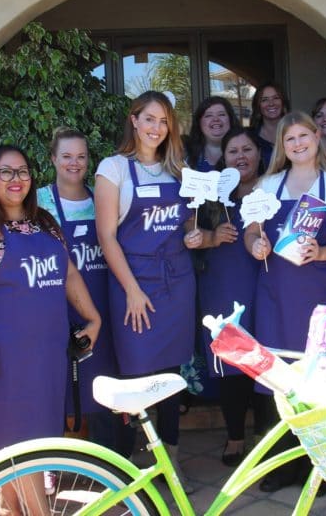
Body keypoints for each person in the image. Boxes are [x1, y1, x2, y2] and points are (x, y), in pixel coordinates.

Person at [0, 146, 100, 470]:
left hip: (45, 359)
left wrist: (93, 318)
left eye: (22, 171)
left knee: (37, 449)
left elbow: (68, 272)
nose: (16, 180)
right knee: (11, 452)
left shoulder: (44, 222)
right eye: (6, 172)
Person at [244, 111, 326, 492]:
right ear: (282, 146)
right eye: (289, 139)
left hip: (323, 297)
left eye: (303, 136)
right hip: (276, 296)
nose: (297, 144)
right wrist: (256, 243)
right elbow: (252, 233)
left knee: (319, 381)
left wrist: (321, 253)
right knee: (279, 381)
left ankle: (319, 467)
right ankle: (281, 465)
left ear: (316, 137)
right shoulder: (267, 185)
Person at [95, 91, 198, 491]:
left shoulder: (180, 170)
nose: (157, 128)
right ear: (134, 121)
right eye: (149, 119)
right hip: (133, 284)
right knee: (137, 373)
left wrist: (194, 235)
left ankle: (171, 462)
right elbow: (107, 236)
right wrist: (133, 291)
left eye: (164, 121)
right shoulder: (114, 168)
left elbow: (188, 225)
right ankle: (136, 464)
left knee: (171, 374)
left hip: (176, 282)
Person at [36, 127, 121, 450]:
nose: (75, 163)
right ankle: (53, 461)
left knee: (103, 388)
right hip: (58, 312)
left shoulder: (102, 198)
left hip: (103, 309)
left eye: (81, 157)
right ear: (53, 158)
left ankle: (110, 462)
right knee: (57, 386)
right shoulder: (39, 201)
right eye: (67, 156)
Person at [193, 127, 265, 466]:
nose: (241, 157)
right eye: (233, 151)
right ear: (225, 159)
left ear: (259, 154)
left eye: (247, 149)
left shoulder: (273, 190)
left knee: (266, 361)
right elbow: (190, 236)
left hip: (263, 285)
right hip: (221, 284)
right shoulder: (212, 198)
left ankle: (267, 438)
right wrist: (211, 234)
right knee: (229, 362)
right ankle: (236, 436)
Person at [183, 96, 241, 172]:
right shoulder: (185, 156)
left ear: (231, 119)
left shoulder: (243, 155)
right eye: (208, 115)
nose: (216, 119)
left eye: (221, 114)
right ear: (199, 123)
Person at [248, 82, 290, 170]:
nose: (271, 103)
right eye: (264, 100)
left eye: (276, 98)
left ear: (283, 102)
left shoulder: (295, 132)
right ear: (258, 106)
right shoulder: (250, 137)